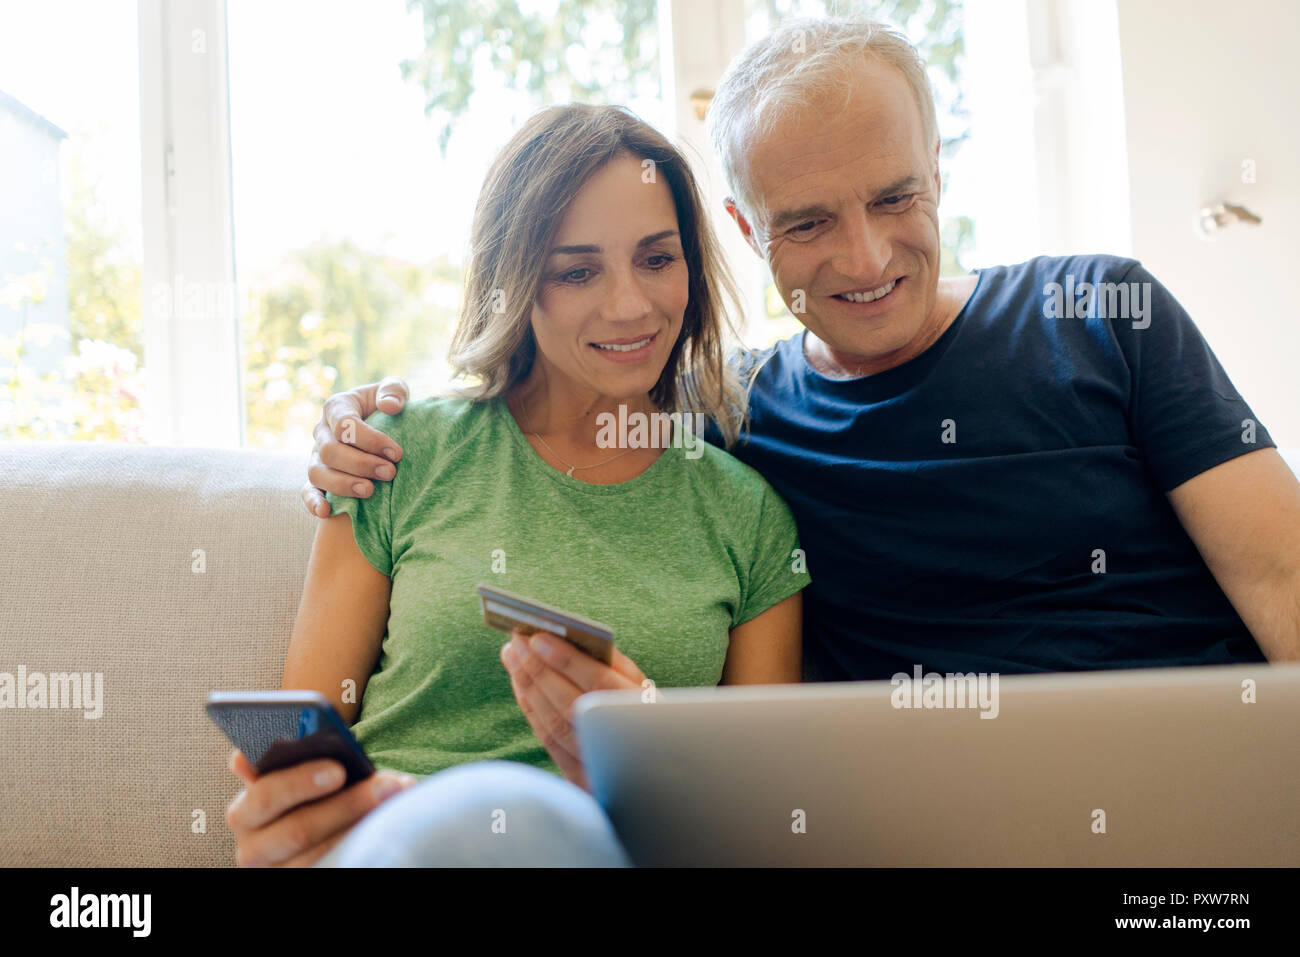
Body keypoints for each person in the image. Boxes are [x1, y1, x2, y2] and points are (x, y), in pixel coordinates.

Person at [308, 14, 1300, 685]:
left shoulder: (1098, 310)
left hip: (1188, 789)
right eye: (810, 222)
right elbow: (552, 404)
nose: (865, 258)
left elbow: (1279, 579)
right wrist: (352, 428)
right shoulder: (731, 416)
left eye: (893, 198)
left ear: (937, 175)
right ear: (746, 232)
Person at [224, 103, 810, 867]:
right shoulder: (395, 454)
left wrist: (647, 746)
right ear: (515, 281)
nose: (630, 303)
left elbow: (761, 826)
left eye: (657, 258)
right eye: (577, 270)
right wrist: (289, 826)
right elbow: (303, 741)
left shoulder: (747, 517)